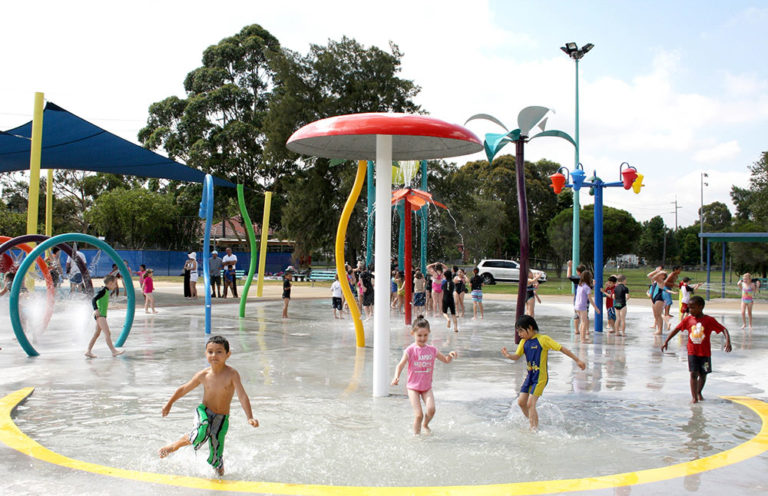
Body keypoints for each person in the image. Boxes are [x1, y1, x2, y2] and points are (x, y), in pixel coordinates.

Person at [159, 335, 259, 475]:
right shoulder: (203, 375)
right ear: (205, 353)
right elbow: (183, 388)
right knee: (202, 430)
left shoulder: (232, 374)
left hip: (222, 418)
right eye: (210, 352)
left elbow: (242, 395)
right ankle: (174, 446)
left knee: (217, 454)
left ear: (228, 354)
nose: (214, 355)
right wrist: (169, 403)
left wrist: (250, 417)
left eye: (219, 352)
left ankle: (219, 477)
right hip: (204, 412)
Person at [501, 315, 585, 430]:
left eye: (521, 331)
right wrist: (508, 355)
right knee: (521, 402)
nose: (519, 334)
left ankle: (533, 429)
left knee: (530, 403)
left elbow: (562, 348)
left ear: (530, 328)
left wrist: (578, 360)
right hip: (530, 376)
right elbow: (517, 356)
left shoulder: (543, 339)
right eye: (518, 331)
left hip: (540, 377)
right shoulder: (524, 342)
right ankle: (533, 420)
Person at [391, 315, 457, 435]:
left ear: (429, 333)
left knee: (431, 410)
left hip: (426, 387)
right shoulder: (410, 350)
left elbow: (446, 360)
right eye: (419, 335)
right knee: (418, 415)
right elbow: (400, 365)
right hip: (413, 388)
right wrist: (396, 377)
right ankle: (416, 437)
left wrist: (451, 355)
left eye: (425, 335)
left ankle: (425, 424)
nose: (422, 338)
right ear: (413, 334)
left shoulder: (432, 350)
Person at [661, 296, 732, 403]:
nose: (690, 310)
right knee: (693, 373)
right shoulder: (688, 320)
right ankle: (694, 397)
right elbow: (677, 329)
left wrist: (728, 341)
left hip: (705, 353)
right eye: (689, 308)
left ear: (701, 307)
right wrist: (666, 340)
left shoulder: (709, 320)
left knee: (703, 374)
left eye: (692, 308)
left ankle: (699, 392)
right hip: (692, 352)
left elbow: (724, 329)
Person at [85, 275, 125, 358]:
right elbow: (94, 299)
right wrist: (96, 309)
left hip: (101, 315)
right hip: (100, 315)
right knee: (107, 333)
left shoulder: (106, 291)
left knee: (97, 334)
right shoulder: (103, 291)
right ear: (110, 283)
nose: (115, 285)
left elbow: (102, 302)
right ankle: (113, 351)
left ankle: (88, 351)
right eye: (115, 283)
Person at [575, 269, 600, 341]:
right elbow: (590, 299)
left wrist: (592, 285)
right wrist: (596, 308)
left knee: (582, 322)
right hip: (582, 306)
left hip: (577, 306)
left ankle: (582, 337)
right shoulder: (587, 287)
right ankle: (583, 338)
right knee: (584, 322)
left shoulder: (580, 285)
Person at [647, 266, 668, 335]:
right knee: (655, 315)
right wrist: (656, 271)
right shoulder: (655, 281)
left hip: (659, 299)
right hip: (654, 299)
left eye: (661, 274)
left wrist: (660, 272)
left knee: (658, 315)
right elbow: (649, 275)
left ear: (663, 277)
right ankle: (658, 329)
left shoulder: (661, 281)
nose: (659, 274)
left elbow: (654, 277)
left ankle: (660, 330)